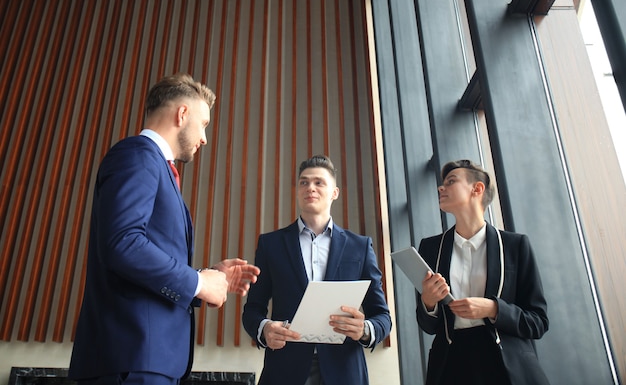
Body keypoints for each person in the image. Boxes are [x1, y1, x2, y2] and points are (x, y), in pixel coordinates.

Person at [68, 73, 260, 385]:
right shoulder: (137, 155)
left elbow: (144, 256)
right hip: (132, 359)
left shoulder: (152, 165)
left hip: (148, 360)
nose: (205, 139)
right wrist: (197, 282)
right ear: (182, 114)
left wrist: (208, 276)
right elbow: (124, 244)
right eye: (204, 124)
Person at [242, 155, 392, 385]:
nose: (310, 187)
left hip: (344, 371)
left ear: (335, 192)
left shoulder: (359, 247)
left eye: (319, 182)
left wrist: (364, 329)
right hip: (285, 369)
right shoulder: (270, 244)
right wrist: (264, 329)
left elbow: (382, 316)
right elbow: (252, 309)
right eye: (304, 182)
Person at [416, 159, 550, 385]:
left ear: (477, 189)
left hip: (505, 366)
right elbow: (429, 326)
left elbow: (538, 321)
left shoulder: (515, 246)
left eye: (451, 181)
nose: (441, 187)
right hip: (450, 366)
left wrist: (493, 308)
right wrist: (428, 303)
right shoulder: (430, 249)